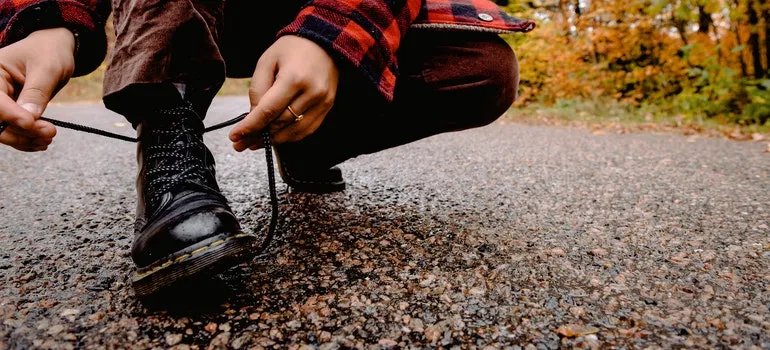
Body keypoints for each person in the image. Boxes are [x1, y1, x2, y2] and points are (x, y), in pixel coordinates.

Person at [0, 0, 535, 297]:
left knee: (482, 69)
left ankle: (306, 135)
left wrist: (330, 32)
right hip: (181, 10)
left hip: (307, 8)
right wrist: (44, 23)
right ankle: (168, 134)